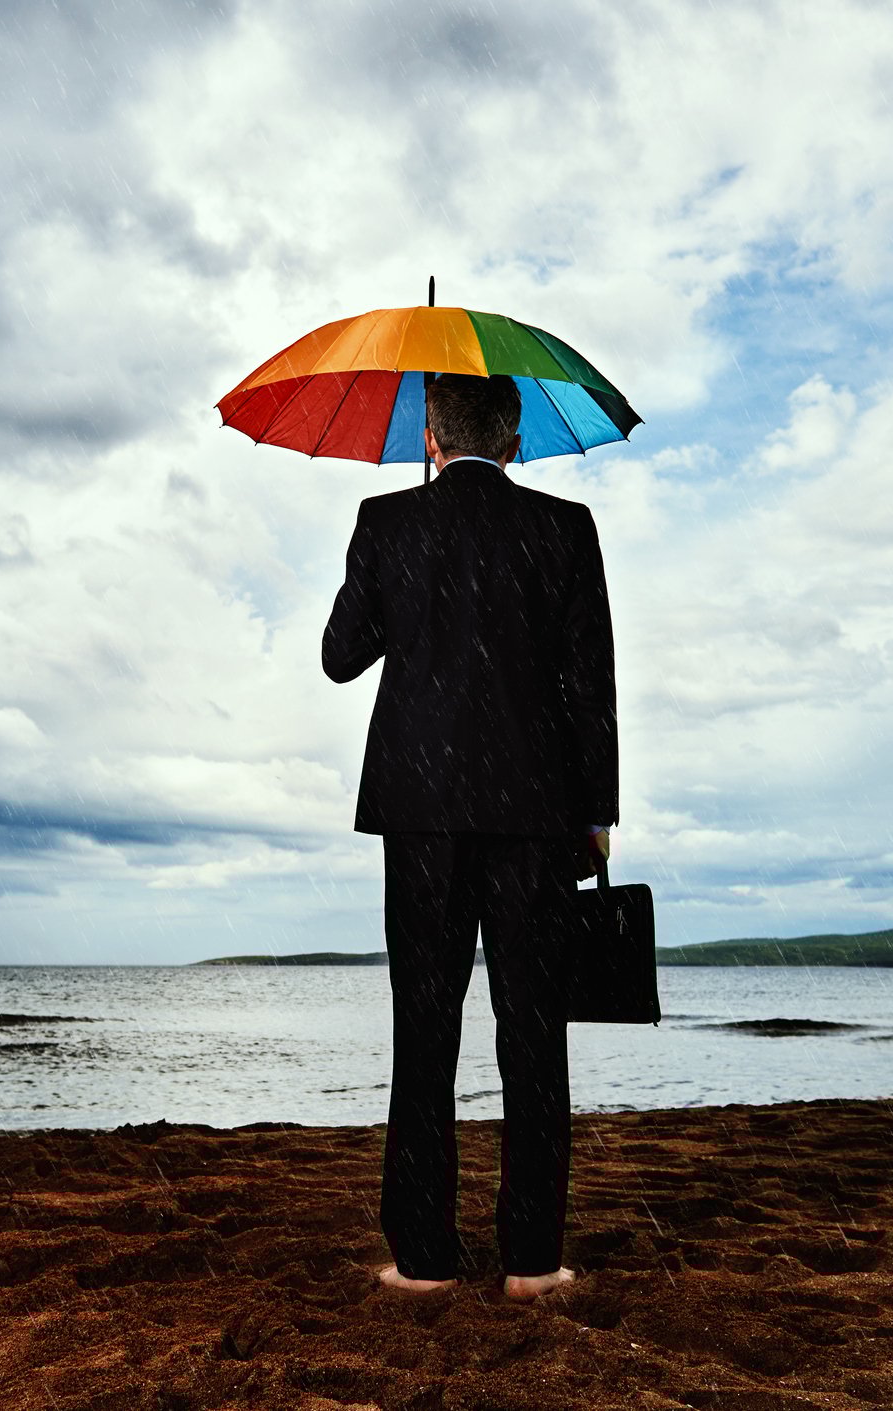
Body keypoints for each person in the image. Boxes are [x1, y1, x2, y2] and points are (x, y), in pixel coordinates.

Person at [322, 371, 618, 1302]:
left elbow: (339, 656)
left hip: (420, 817)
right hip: (536, 816)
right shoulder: (563, 529)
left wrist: (403, 557)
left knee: (425, 1029)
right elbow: (588, 682)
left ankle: (422, 1258)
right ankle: (533, 1258)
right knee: (532, 1036)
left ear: (430, 439)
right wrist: (596, 813)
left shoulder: (387, 522)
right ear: (518, 438)